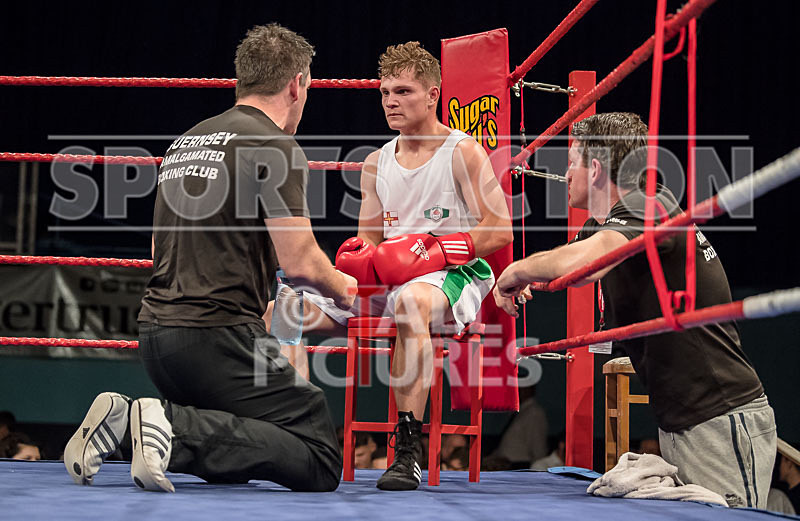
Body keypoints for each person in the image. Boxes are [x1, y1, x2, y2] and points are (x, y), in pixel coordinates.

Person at [63, 23, 357, 493]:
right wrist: (353, 293)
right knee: (318, 453)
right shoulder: (275, 146)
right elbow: (301, 264)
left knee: (244, 447)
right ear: (297, 84)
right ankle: (170, 429)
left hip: (156, 339)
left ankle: (122, 424)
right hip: (217, 341)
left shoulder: (186, 142)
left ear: (242, 79)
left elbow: (159, 250)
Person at [264, 41, 512, 491]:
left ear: (434, 94)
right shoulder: (376, 162)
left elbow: (499, 230)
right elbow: (371, 242)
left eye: (403, 92)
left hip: (451, 275)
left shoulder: (461, 152)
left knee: (413, 304)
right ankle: (291, 432)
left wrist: (435, 248)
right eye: (384, 93)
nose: (391, 102)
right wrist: (354, 264)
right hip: (389, 276)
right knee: (286, 306)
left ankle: (408, 448)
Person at [495, 112, 776, 508]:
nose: (564, 174)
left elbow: (581, 262)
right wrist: (527, 279)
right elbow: (572, 267)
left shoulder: (648, 206)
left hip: (717, 415)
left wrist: (515, 270)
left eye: (570, 161)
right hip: (685, 419)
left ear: (594, 169)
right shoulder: (612, 223)